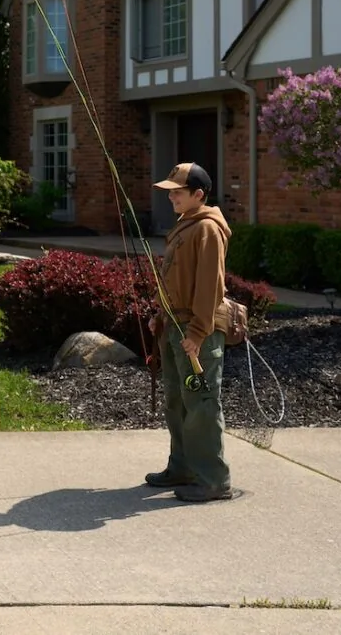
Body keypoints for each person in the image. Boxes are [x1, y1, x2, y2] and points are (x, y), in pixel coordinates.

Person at [146, 162, 234, 503]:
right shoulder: (186, 225)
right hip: (174, 325)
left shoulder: (207, 229)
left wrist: (198, 332)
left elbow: (211, 285)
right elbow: (175, 278)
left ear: (198, 194)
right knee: (177, 399)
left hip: (197, 329)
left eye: (177, 193)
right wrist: (160, 314)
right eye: (170, 193)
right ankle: (182, 466)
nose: (171, 198)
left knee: (200, 403)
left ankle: (212, 479)